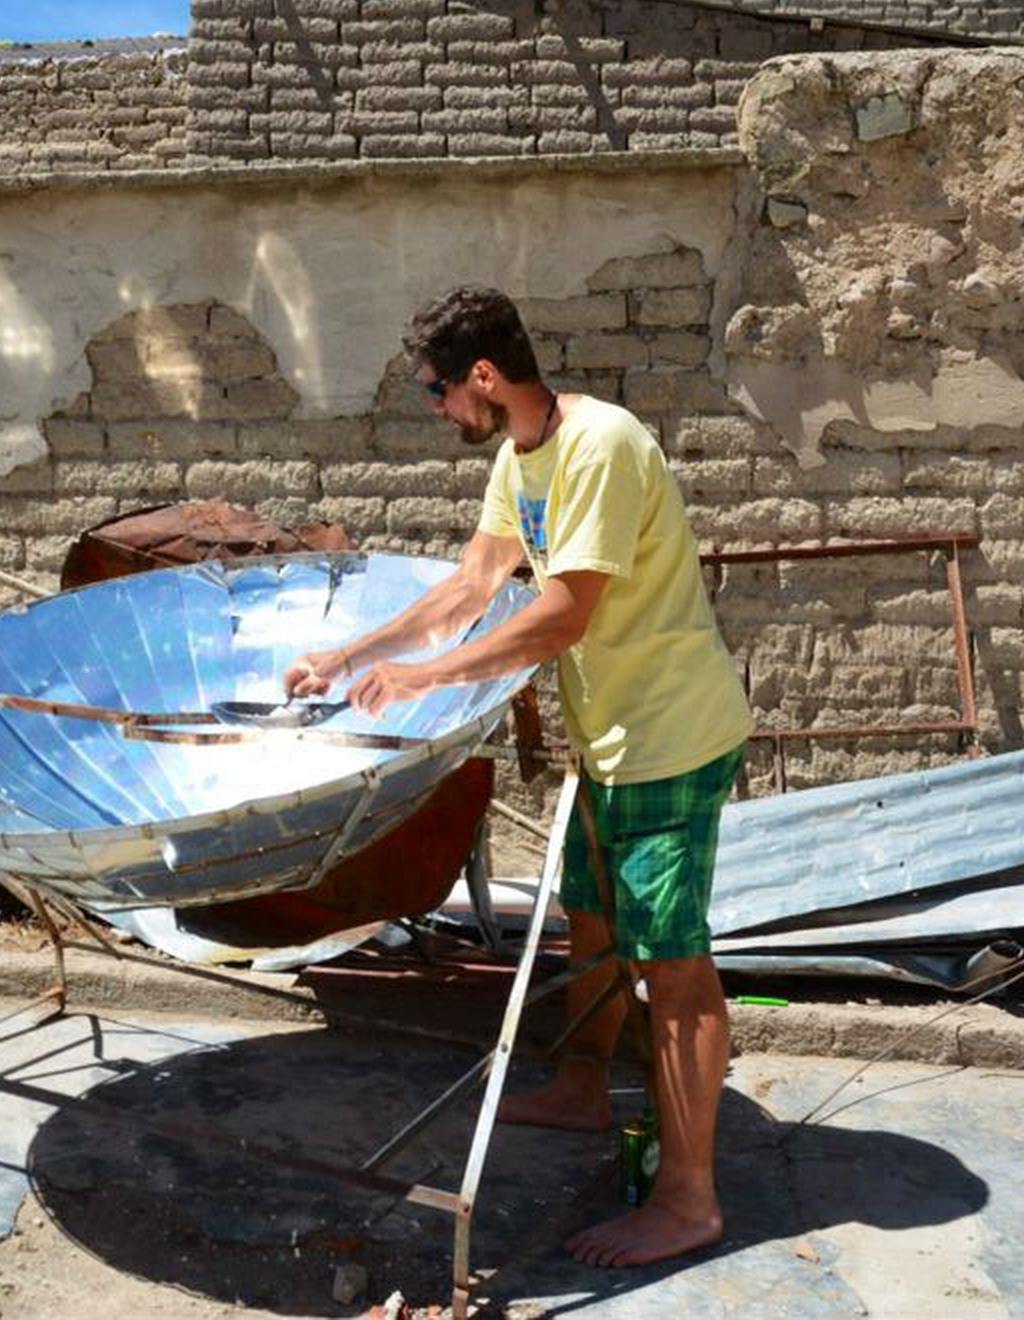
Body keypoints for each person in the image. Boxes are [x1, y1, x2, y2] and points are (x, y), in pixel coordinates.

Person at [283, 285, 750, 1268]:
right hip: (608, 737)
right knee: (591, 919)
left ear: (484, 377)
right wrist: (347, 656)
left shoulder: (602, 446)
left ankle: (689, 1197)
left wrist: (426, 675)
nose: (437, 409)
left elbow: (563, 614)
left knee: (671, 965)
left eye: (437, 391)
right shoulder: (518, 456)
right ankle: (585, 1086)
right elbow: (469, 587)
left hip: (667, 738)